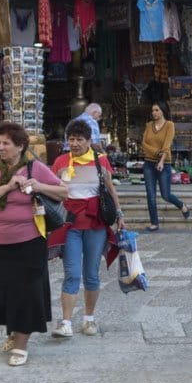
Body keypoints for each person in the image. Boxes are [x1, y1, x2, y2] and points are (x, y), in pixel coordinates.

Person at [0, 122, 67, 367]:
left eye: (6, 143)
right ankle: (12, 333)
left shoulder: (35, 167)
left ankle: (21, 345)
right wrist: (7, 186)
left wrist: (37, 185)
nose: (0, 147)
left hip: (30, 242)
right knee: (2, 293)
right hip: (0, 243)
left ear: (20, 146)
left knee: (26, 294)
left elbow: (64, 191)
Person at [49, 119, 125, 339]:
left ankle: (89, 319)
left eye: (79, 139)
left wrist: (119, 214)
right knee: (71, 273)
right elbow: (53, 189)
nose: (75, 144)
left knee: (91, 274)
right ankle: (65, 322)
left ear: (89, 141)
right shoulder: (61, 161)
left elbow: (110, 189)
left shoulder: (100, 161)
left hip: (96, 224)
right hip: (71, 223)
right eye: (71, 139)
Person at [140, 102, 192, 231]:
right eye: (152, 110)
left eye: (156, 110)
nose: (154, 113)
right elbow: (144, 144)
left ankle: (182, 205)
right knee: (150, 195)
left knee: (165, 195)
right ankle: (154, 223)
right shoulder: (148, 125)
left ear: (162, 111)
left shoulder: (169, 125)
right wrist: (157, 152)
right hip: (148, 163)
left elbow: (166, 145)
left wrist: (161, 161)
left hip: (165, 163)